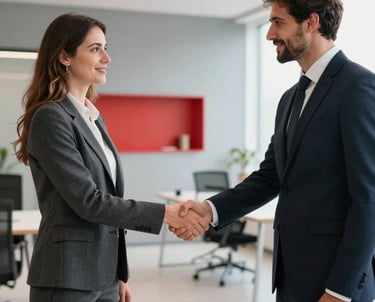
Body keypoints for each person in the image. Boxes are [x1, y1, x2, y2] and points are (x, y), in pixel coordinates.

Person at [174, 1, 375, 301]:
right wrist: (210, 210)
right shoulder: (289, 99)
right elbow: (271, 177)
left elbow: (369, 199)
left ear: (311, 23)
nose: (270, 34)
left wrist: (340, 291)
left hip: (334, 285)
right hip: (291, 276)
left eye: (278, 22)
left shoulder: (358, 88)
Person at [13, 13, 210, 302]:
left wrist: (117, 273)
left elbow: (108, 198)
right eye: (95, 49)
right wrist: (167, 214)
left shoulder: (93, 117)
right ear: (64, 56)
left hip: (103, 275)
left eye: (106, 48)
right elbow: (88, 201)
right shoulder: (51, 117)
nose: (107, 57)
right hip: (66, 276)